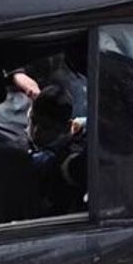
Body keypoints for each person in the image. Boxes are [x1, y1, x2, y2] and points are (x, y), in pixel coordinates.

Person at [27, 85, 87, 215]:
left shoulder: (63, 157)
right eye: (34, 122)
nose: (36, 132)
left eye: (46, 127)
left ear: (66, 127)